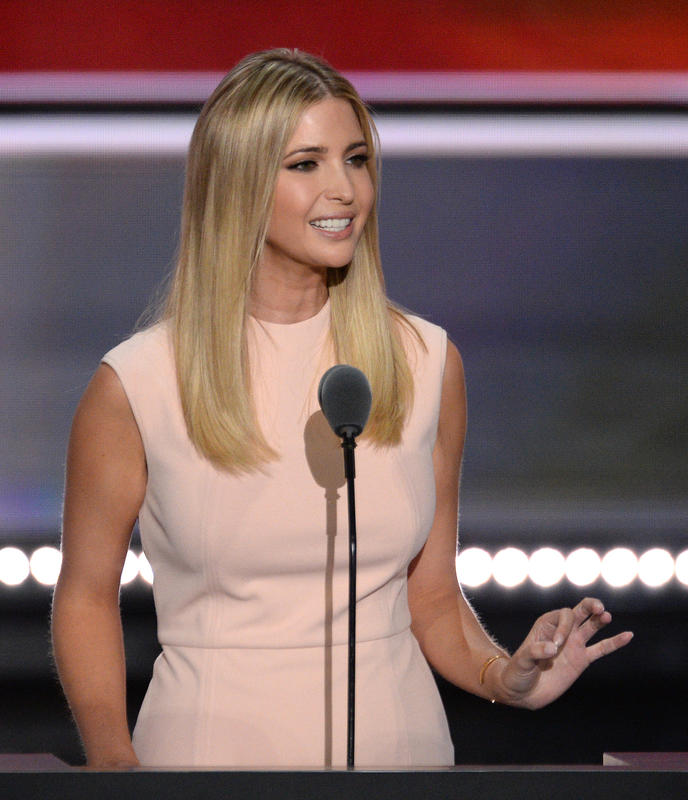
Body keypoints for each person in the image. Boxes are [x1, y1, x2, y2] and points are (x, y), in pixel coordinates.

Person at [51, 49, 632, 769]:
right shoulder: (138, 383)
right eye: (305, 164)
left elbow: (434, 602)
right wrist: (114, 767)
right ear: (237, 183)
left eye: (355, 159)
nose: (345, 189)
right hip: (202, 767)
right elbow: (85, 596)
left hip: (402, 761)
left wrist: (509, 678)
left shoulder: (424, 363)